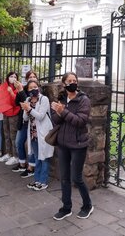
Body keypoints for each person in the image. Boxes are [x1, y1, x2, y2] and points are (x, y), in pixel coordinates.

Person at [51, 72, 93, 220]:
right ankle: (66, 207)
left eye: (74, 80)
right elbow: (55, 120)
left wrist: (63, 111)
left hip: (78, 144)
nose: (72, 82)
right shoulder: (62, 98)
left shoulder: (84, 100)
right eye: (69, 80)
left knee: (76, 177)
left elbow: (80, 121)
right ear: (64, 84)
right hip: (63, 144)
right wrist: (58, 111)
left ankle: (87, 205)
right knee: (64, 178)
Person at [21, 79, 54, 191]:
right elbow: (25, 118)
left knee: (44, 157)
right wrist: (26, 110)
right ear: (27, 90)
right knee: (36, 157)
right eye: (30, 88)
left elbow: (40, 116)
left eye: (35, 87)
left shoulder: (43, 99)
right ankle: (36, 180)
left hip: (43, 133)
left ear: (38, 87)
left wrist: (29, 109)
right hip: (32, 134)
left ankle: (43, 181)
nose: (33, 89)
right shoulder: (27, 99)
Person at [13, 70, 38, 177]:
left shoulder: (38, 91)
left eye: (34, 76)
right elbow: (18, 103)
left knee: (31, 146)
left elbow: (28, 104)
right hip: (23, 121)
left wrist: (21, 91)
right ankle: (22, 163)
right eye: (30, 77)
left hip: (33, 123)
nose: (32, 78)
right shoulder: (24, 89)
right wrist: (19, 91)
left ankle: (31, 167)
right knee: (18, 142)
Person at [0, 72, 21, 166]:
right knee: (6, 135)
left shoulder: (18, 88)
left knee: (13, 136)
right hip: (5, 113)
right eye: (11, 76)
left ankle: (16, 156)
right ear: (7, 78)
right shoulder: (4, 87)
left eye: (15, 77)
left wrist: (11, 92)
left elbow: (16, 102)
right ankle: (8, 153)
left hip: (14, 114)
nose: (13, 78)